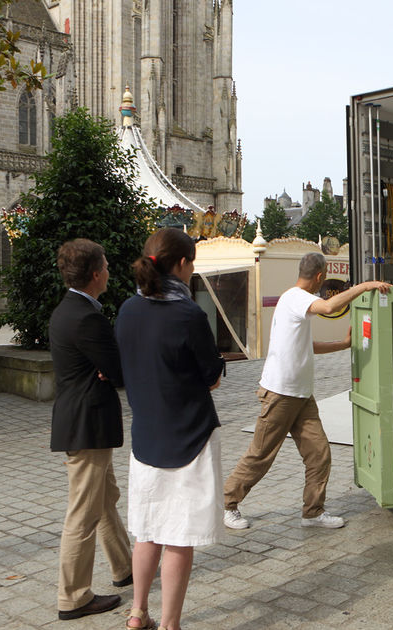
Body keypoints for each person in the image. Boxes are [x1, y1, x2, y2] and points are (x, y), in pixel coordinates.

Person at [223, 253, 391, 530]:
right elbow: (327, 307)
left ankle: (312, 513)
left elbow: (306, 346)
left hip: (301, 395)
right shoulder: (297, 297)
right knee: (261, 454)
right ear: (320, 277)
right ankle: (228, 504)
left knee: (319, 454)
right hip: (280, 393)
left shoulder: (294, 302)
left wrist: (343, 344)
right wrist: (366, 286)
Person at [115, 228, 224, 630]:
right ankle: (170, 624)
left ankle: (137, 612)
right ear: (181, 265)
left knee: (147, 531)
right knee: (179, 535)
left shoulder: (127, 309)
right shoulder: (189, 313)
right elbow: (211, 375)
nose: (194, 270)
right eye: (192, 263)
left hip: (146, 436)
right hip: (190, 436)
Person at [48, 239, 131, 621]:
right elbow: (117, 369)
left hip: (83, 420)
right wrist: (111, 367)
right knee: (83, 512)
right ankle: (73, 596)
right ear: (96, 273)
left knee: (106, 497)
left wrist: (108, 367)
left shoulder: (70, 310)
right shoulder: (86, 317)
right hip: (87, 424)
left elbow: (108, 366)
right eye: (108, 265)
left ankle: (125, 566)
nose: (111, 271)